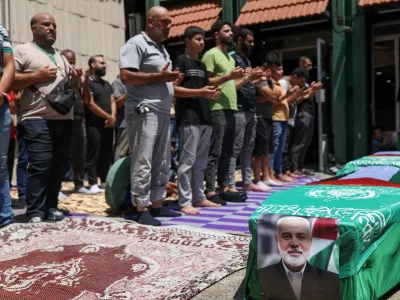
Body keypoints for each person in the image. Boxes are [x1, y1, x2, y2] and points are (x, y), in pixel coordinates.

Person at [119, 6, 184, 226]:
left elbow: (161, 78)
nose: (168, 27)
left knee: (162, 160)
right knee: (144, 159)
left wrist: (171, 81)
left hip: (163, 111)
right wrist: (160, 76)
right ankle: (141, 207)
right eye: (164, 22)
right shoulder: (135, 44)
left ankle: (157, 203)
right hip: (144, 109)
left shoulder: (162, 49)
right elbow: (126, 76)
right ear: (150, 21)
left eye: (170, 23)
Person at [12, 13, 78, 223]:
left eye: (54, 26)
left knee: (58, 166)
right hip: (36, 117)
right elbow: (9, 79)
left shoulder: (60, 57)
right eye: (46, 24)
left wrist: (76, 81)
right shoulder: (22, 50)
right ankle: (35, 212)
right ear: (34, 28)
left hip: (64, 118)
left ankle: (51, 207)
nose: (52, 28)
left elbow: (71, 90)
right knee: (40, 165)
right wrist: (36, 76)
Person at [173, 26, 222, 214]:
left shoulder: (202, 66)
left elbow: (204, 91)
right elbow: (174, 89)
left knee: (200, 162)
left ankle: (199, 197)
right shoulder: (181, 61)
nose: (202, 42)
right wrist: (200, 92)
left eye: (203, 39)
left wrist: (211, 94)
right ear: (187, 41)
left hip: (204, 118)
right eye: (197, 39)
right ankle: (184, 201)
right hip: (188, 118)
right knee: (187, 162)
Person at [202, 20, 244, 205]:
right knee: (216, 151)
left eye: (231, 31)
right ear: (217, 34)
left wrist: (247, 79)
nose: (231, 34)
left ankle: (224, 187)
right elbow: (207, 82)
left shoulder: (230, 58)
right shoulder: (210, 55)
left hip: (231, 108)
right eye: (226, 31)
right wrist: (228, 76)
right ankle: (210, 190)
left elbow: (230, 84)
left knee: (228, 150)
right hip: (217, 108)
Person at [258, 216, 340, 300]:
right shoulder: (260, 276)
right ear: (277, 240)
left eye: (301, 237)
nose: (294, 243)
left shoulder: (332, 282)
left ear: (310, 241)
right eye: (287, 236)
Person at [229, 28, 264, 195]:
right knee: (235, 148)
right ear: (240, 40)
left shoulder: (246, 60)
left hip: (251, 109)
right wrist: (249, 77)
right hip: (239, 109)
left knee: (248, 148)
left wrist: (258, 77)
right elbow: (232, 84)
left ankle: (247, 182)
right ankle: (230, 184)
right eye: (249, 41)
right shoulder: (231, 58)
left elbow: (247, 82)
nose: (252, 44)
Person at [61, 49, 93, 194]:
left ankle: (79, 184)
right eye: (69, 61)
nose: (72, 64)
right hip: (64, 118)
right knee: (61, 154)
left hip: (79, 118)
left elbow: (86, 99)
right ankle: (58, 188)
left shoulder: (78, 78)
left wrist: (84, 83)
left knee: (80, 153)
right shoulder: (59, 76)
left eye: (73, 61)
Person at [84, 55, 116, 193]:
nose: (105, 65)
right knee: (94, 153)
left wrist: (113, 117)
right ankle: (92, 183)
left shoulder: (107, 84)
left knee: (106, 153)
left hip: (108, 125)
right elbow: (90, 104)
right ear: (92, 65)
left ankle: (104, 180)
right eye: (101, 63)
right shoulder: (88, 84)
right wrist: (108, 116)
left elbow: (113, 101)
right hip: (94, 125)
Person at [269, 61, 302, 184]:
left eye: (281, 69)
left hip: (283, 118)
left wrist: (296, 94)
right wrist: (291, 94)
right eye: (279, 69)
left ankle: (279, 172)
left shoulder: (278, 83)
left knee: (281, 148)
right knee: (274, 148)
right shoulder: (274, 83)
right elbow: (277, 101)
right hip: (276, 118)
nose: (282, 72)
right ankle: (272, 174)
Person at [291, 57, 322, 176]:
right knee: (300, 141)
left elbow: (308, 94)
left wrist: (313, 89)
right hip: (302, 113)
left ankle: (301, 166)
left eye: (310, 66)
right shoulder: (297, 80)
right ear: (301, 64)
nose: (310, 68)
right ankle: (294, 167)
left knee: (306, 141)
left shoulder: (306, 80)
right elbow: (297, 98)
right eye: (308, 65)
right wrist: (310, 90)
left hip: (309, 112)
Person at [253, 54, 280, 189]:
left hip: (269, 115)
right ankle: (257, 179)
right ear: (265, 65)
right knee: (260, 149)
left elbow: (276, 97)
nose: (274, 72)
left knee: (268, 148)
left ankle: (267, 176)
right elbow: (272, 95)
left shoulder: (269, 80)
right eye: (273, 69)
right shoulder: (258, 78)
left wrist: (270, 97)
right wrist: (269, 97)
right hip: (259, 116)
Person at [281, 68, 310, 179]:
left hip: (289, 119)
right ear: (294, 77)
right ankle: (283, 172)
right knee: (282, 148)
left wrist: (302, 94)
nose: (302, 84)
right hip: (283, 118)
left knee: (287, 146)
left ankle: (287, 170)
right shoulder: (284, 83)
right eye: (300, 82)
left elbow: (293, 101)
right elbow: (282, 101)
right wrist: (296, 94)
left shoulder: (292, 85)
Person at [0, 23, 15, 228]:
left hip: (0, 104)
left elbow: (9, 64)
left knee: (1, 164)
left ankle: (5, 216)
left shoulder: (1, 30)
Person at [112, 75, 129, 162]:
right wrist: (131, 90)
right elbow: (118, 103)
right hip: (125, 124)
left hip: (137, 123)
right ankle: (116, 174)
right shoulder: (118, 82)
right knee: (121, 152)